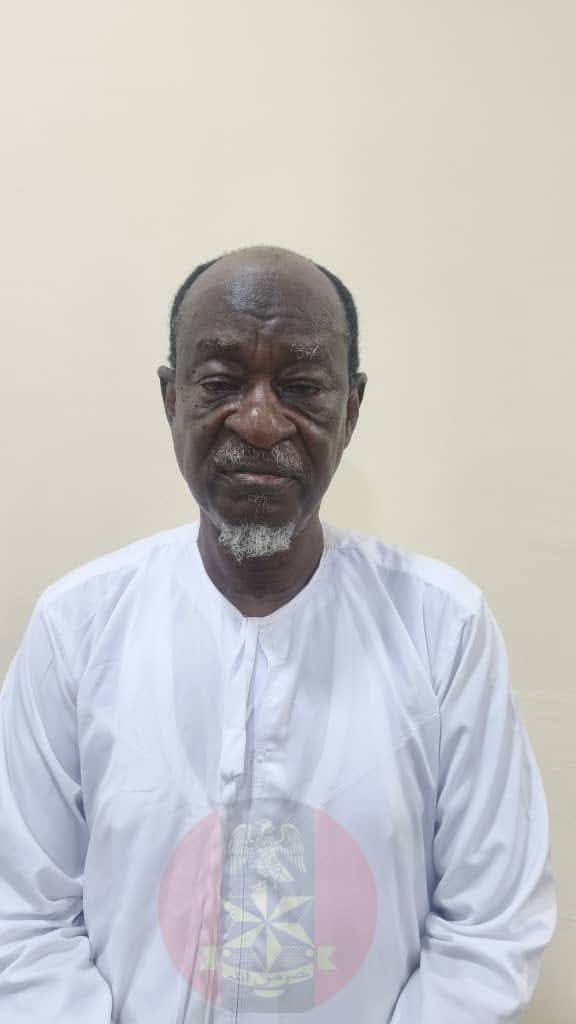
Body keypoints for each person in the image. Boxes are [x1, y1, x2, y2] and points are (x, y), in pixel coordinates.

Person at [0, 245, 556, 1023]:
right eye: (221, 383)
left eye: (299, 387)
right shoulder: (76, 628)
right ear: (171, 399)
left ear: (351, 409)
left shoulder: (444, 630)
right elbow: (21, 917)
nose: (259, 422)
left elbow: (490, 927)